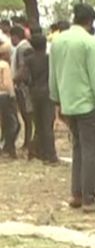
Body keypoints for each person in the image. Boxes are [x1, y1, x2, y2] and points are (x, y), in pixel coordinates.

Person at [50, 4, 95, 212]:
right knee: (90, 150)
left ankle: (76, 193)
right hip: (87, 103)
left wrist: (57, 101)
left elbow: (53, 74)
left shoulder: (57, 41)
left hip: (67, 102)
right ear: (90, 21)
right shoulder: (90, 42)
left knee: (77, 149)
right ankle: (89, 199)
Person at [15, 33, 55, 164]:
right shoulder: (50, 59)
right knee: (48, 124)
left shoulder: (29, 60)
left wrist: (27, 83)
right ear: (45, 45)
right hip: (48, 93)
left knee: (38, 124)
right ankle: (50, 155)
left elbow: (20, 76)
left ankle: (36, 151)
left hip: (34, 93)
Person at [0, 40, 16, 158]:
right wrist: (12, 95)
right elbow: (7, 84)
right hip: (4, 96)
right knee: (12, 124)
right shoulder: (4, 66)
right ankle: (9, 148)